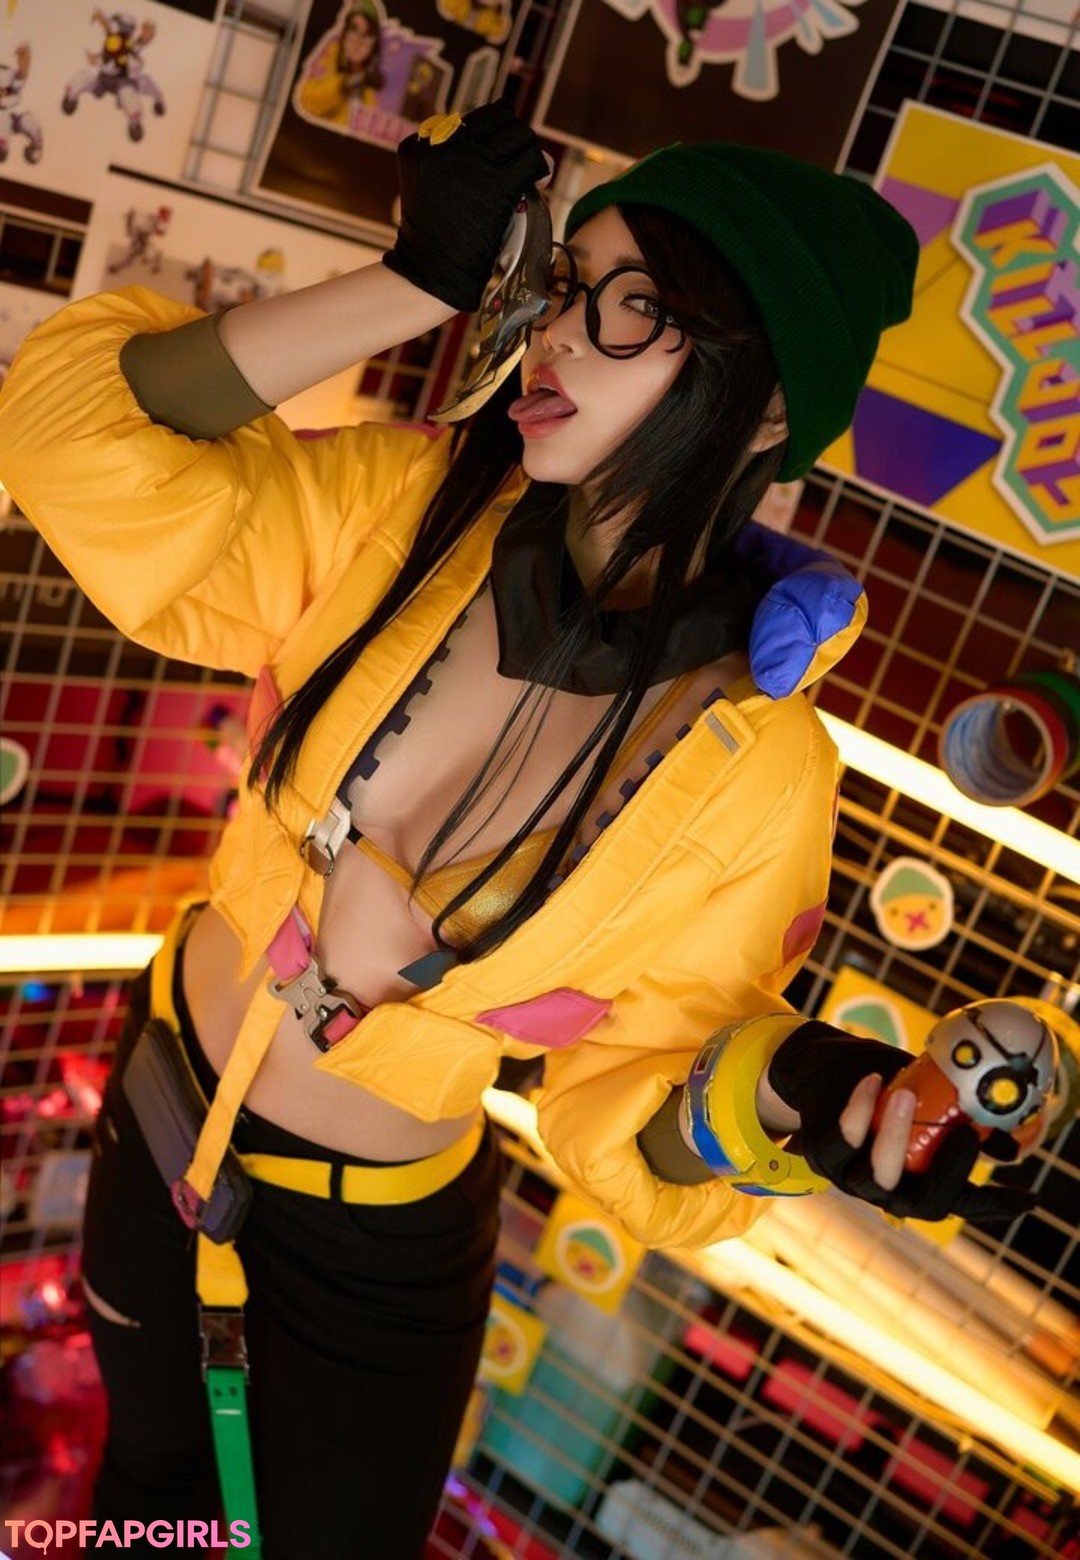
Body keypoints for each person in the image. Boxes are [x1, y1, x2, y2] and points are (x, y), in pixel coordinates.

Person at [0, 101, 1025, 1559]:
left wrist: (795, 1087)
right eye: (562, 287)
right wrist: (410, 282)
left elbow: (643, 1086)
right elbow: (71, 437)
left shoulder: (756, 766)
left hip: (369, 1260)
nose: (555, 339)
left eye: (631, 307)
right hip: (163, 1111)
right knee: (140, 1505)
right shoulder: (402, 509)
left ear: (767, 409)